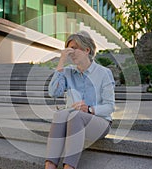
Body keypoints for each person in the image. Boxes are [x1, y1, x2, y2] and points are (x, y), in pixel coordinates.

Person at [45, 31, 115, 169]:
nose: (70, 52)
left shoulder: (103, 73)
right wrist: (61, 62)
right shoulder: (68, 72)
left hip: (100, 123)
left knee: (75, 115)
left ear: (86, 50)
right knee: (60, 115)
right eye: (68, 49)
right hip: (72, 121)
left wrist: (90, 109)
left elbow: (110, 107)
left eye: (74, 48)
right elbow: (53, 92)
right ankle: (49, 166)